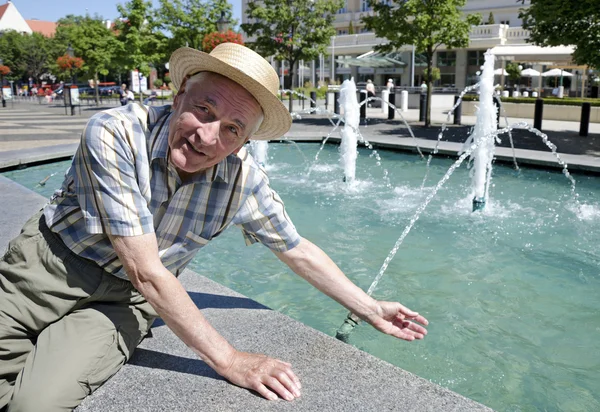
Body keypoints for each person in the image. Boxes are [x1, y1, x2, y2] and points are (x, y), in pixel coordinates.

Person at [0, 43, 428, 411]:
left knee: (34, 404)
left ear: (245, 142)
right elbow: (145, 267)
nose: (208, 137)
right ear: (180, 92)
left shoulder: (244, 180)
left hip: (122, 304)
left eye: (232, 129)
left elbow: (296, 249)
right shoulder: (116, 133)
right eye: (204, 110)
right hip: (47, 271)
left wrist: (370, 308)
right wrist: (229, 359)